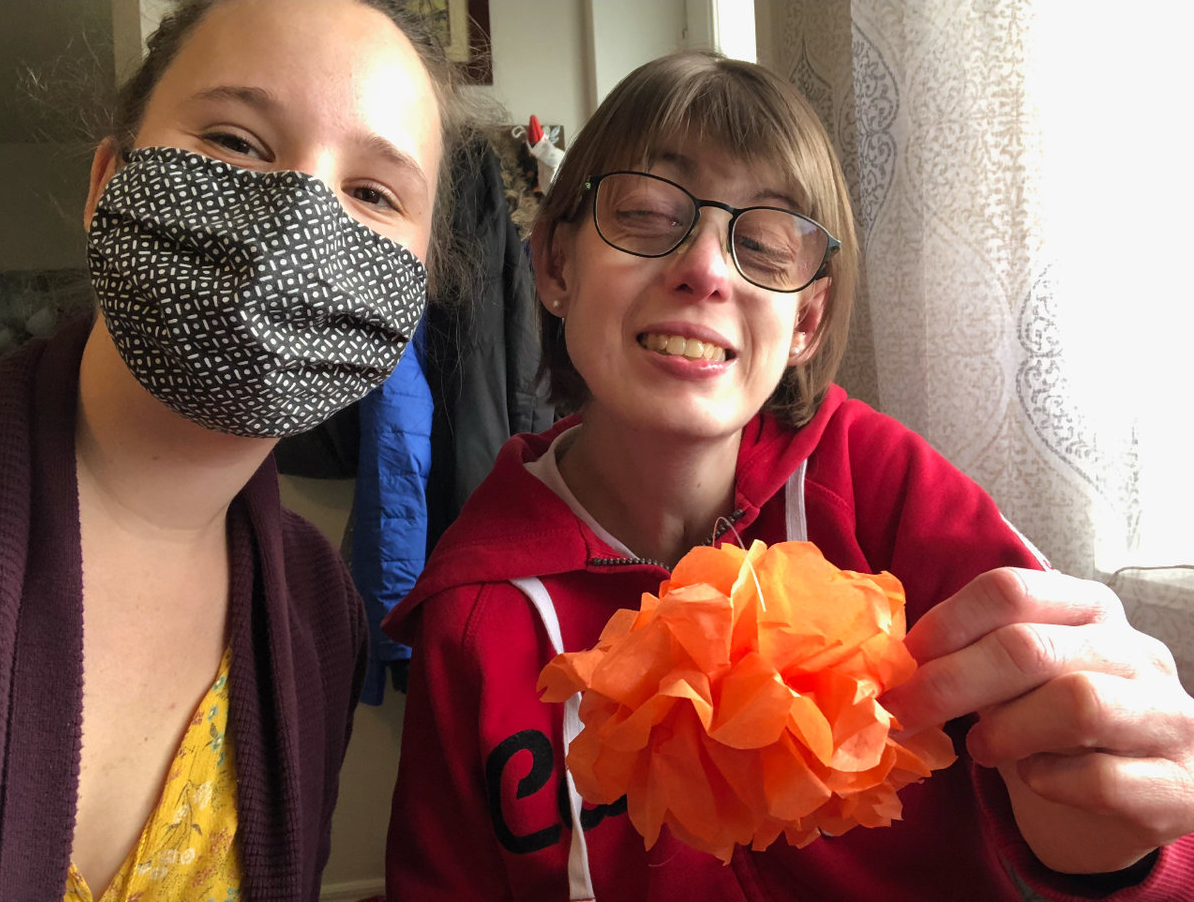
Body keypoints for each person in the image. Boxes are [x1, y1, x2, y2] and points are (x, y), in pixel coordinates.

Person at [383, 51, 1194, 901]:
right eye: (649, 215)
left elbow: (1110, 786)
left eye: (765, 247)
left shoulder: (881, 490)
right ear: (554, 267)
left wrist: (1123, 855)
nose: (706, 269)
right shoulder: (474, 613)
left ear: (805, 321)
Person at [0, 1, 476, 899]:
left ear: (411, 297)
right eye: (238, 141)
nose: (297, 223)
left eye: (374, 194)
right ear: (108, 185)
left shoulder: (320, 613)